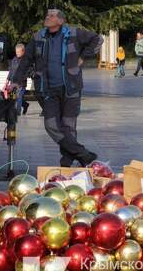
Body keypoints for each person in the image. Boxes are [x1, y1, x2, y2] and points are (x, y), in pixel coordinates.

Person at [11, 9, 103, 167]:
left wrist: (83, 57)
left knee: (68, 126)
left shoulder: (74, 33)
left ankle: (66, 163)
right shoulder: (38, 37)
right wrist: (16, 81)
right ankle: (83, 154)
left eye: (52, 15)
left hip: (71, 88)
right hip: (48, 90)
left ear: (61, 21)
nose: (47, 17)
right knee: (51, 125)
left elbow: (98, 40)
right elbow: (26, 59)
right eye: (47, 15)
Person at [6, 43, 30, 115]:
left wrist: (22, 79)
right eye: (16, 52)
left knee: (18, 97)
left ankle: (17, 112)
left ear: (23, 51)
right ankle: (25, 105)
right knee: (13, 97)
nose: (17, 53)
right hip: (13, 83)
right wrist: (8, 79)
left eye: (19, 52)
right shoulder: (14, 60)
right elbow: (11, 71)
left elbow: (27, 71)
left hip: (21, 83)